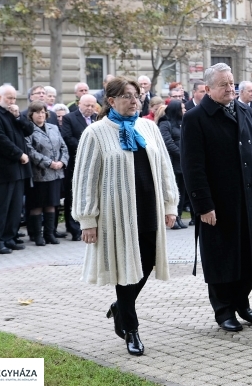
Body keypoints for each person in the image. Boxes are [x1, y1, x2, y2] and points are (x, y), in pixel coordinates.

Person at [72, 77, 178, 356]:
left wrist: (170, 204)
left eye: (138, 95)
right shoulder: (95, 132)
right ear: (111, 101)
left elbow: (165, 167)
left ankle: (120, 306)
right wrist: (87, 220)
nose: (135, 101)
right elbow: (85, 179)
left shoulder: (148, 127)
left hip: (149, 206)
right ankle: (130, 328)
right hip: (117, 214)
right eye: (128, 96)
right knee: (124, 268)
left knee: (146, 263)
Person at [181, 63, 252, 333]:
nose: (229, 88)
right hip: (220, 202)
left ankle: (241, 302)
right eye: (223, 84)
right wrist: (203, 205)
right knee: (222, 258)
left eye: (232, 83)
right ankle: (223, 310)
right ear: (208, 88)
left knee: (248, 254)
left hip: (249, 197)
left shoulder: (246, 110)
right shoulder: (195, 118)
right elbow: (193, 167)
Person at [0, 84, 34, 254]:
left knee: (15, 206)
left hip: (18, 168)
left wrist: (19, 116)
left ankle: (9, 237)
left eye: (13, 98)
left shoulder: (12, 113)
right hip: (2, 169)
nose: (12, 101)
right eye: (8, 98)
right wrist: (19, 154)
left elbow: (28, 131)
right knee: (1, 207)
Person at [24, 101, 69, 246]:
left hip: (56, 173)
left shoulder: (53, 127)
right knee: (37, 205)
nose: (41, 115)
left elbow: (63, 146)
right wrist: (49, 163)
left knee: (52, 203)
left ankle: (50, 234)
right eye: (37, 112)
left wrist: (62, 162)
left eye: (43, 112)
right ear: (31, 115)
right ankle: (37, 236)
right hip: (40, 174)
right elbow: (30, 151)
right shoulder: (28, 130)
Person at [61, 95, 98, 241]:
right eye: (87, 105)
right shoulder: (69, 118)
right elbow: (67, 138)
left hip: (94, 163)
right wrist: (88, 148)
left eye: (92, 106)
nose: (89, 108)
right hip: (76, 162)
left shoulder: (97, 118)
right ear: (79, 104)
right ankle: (73, 228)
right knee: (73, 195)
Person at [158, 100, 189, 229]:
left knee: (182, 191)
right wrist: (182, 154)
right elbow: (167, 142)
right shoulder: (165, 124)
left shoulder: (183, 123)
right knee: (174, 192)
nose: (185, 110)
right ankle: (173, 218)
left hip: (183, 164)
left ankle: (180, 217)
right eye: (182, 108)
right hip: (172, 162)